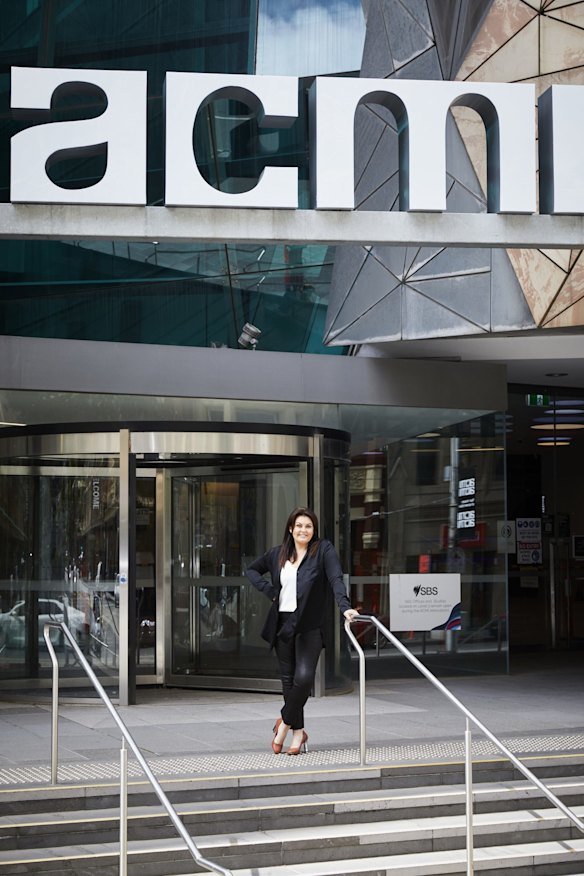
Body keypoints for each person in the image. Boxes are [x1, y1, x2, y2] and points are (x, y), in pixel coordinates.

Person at [246, 507, 359, 755]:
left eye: (308, 526)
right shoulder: (277, 554)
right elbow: (251, 570)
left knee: (304, 680)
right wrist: (269, 590)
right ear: (290, 528)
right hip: (282, 625)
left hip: (310, 625)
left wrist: (345, 607)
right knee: (288, 683)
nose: (303, 530)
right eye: (299, 525)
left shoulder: (323, 551)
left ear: (314, 530)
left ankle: (283, 725)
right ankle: (298, 735)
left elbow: (335, 579)